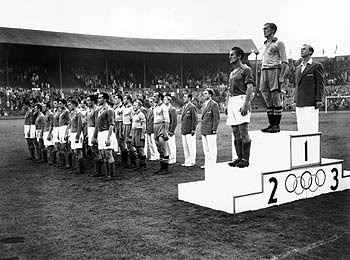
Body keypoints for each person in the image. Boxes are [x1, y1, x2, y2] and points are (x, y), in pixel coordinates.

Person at [226, 46, 254, 168]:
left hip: (241, 99)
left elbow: (250, 88)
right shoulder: (232, 72)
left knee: (243, 131)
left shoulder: (246, 69)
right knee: (235, 131)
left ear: (239, 56)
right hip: (232, 101)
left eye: (232, 55)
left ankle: (246, 159)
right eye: (230, 55)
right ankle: (239, 157)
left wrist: (246, 103)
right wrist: (227, 104)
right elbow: (229, 90)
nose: (230, 57)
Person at [260, 23, 288, 133]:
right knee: (267, 99)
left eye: (266, 29)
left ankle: (276, 125)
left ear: (272, 30)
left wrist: (281, 76)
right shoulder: (265, 44)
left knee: (276, 98)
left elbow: (285, 61)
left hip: (274, 70)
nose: (264, 31)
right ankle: (271, 125)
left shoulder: (279, 43)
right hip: (264, 71)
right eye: (263, 29)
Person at [295, 44, 325, 133]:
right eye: (301, 49)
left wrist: (319, 99)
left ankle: (312, 146)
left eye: (304, 49)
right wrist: (294, 100)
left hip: (311, 102)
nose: (301, 50)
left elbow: (320, 84)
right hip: (299, 102)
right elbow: (297, 85)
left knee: (312, 128)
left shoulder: (316, 66)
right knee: (301, 128)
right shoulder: (298, 68)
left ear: (310, 52)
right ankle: (302, 146)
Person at [93, 92, 116, 181]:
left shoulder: (109, 110)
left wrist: (108, 138)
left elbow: (111, 125)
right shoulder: (100, 110)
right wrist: (95, 136)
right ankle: (107, 174)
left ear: (105, 99)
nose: (98, 100)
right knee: (103, 154)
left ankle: (112, 175)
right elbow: (97, 125)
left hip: (107, 132)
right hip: (100, 133)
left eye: (100, 98)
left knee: (108, 154)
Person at [200, 88, 220, 169]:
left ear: (210, 95)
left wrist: (214, 128)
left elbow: (216, 118)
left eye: (205, 93)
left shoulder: (214, 104)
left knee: (212, 148)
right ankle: (207, 163)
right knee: (206, 149)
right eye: (203, 93)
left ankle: (212, 164)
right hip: (204, 129)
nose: (204, 95)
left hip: (210, 129)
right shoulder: (204, 104)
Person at [153, 91, 170, 174]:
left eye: (155, 96)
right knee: (159, 148)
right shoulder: (155, 106)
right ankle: (161, 167)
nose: (154, 98)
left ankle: (165, 169)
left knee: (163, 148)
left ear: (159, 97)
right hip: (155, 126)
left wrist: (165, 131)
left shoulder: (164, 107)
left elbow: (167, 120)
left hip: (161, 127)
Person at [86, 94, 103, 177]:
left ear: (93, 101)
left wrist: (94, 136)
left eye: (89, 100)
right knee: (93, 151)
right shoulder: (89, 110)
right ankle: (96, 170)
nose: (87, 102)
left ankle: (99, 171)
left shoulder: (96, 110)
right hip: (90, 130)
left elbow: (97, 123)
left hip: (94, 130)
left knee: (96, 150)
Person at [66, 98, 84, 174]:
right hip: (72, 133)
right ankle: (77, 167)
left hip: (77, 133)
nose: (68, 106)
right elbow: (70, 125)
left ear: (74, 104)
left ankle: (80, 169)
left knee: (78, 151)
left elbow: (80, 125)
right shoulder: (71, 113)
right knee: (74, 151)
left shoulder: (78, 113)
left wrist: (77, 136)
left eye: (69, 104)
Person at [181, 93, 197, 167]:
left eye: (185, 97)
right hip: (184, 130)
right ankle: (187, 161)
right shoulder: (184, 107)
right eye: (183, 97)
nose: (183, 98)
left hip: (190, 130)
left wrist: (193, 128)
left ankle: (192, 161)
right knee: (185, 147)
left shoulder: (192, 107)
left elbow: (194, 118)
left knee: (191, 146)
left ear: (189, 98)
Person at [131, 99, 147, 170]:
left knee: (140, 149)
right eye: (133, 105)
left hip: (139, 132)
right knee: (137, 148)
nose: (134, 106)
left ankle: (143, 165)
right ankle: (140, 164)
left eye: (135, 105)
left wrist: (142, 135)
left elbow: (144, 125)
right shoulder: (135, 114)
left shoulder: (141, 114)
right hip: (135, 132)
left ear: (139, 106)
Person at [145, 96, 160, 161]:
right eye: (149, 101)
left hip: (154, 129)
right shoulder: (150, 109)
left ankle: (157, 155)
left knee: (154, 144)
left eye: (151, 101)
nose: (150, 103)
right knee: (150, 144)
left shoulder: (157, 109)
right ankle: (153, 155)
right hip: (149, 128)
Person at [164, 94, 177, 164]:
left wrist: (171, 130)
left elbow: (174, 121)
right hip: (165, 130)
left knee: (171, 145)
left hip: (170, 130)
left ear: (169, 100)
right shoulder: (165, 109)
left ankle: (173, 158)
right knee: (167, 146)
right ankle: (169, 157)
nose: (164, 101)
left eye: (166, 99)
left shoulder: (172, 109)